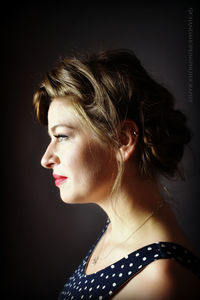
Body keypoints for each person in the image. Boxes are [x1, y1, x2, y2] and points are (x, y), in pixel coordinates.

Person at [33, 49, 200, 299]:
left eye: (62, 136)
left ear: (122, 140)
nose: (46, 159)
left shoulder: (159, 281)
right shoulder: (116, 230)